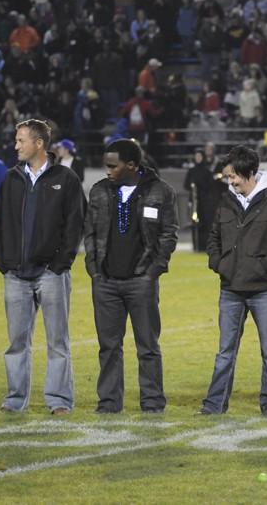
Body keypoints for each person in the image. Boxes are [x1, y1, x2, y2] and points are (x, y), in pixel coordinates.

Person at [199, 145, 267, 417]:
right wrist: (219, 264)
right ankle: (214, 406)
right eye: (228, 177)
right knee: (225, 353)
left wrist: (264, 266)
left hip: (264, 289)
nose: (230, 182)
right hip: (230, 288)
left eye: (234, 177)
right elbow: (213, 238)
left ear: (250, 172)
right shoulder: (227, 200)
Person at [0, 119, 85, 414]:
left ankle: (59, 401)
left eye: (21, 140)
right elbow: (1, 223)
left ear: (39, 144)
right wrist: (5, 262)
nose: (16, 146)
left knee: (57, 341)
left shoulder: (66, 179)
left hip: (51, 272)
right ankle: (14, 399)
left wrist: (60, 263)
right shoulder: (11, 179)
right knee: (16, 342)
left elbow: (75, 225)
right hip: (16, 274)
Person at [83, 138, 178, 414]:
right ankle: (110, 403)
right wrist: (94, 270)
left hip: (141, 280)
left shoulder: (161, 191)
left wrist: (153, 271)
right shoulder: (100, 191)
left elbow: (168, 233)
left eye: (113, 166)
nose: (108, 171)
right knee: (108, 347)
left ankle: (151, 402)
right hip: (106, 281)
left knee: (147, 346)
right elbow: (89, 233)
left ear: (132, 165)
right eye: (106, 165)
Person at [183, 150, 215, 252]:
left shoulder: (207, 171)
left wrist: (200, 185)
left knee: (205, 223)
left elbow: (210, 185)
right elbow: (186, 185)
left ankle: (204, 246)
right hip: (194, 201)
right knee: (195, 224)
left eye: (199, 156)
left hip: (205, 202)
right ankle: (196, 246)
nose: (198, 158)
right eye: (196, 156)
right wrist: (192, 186)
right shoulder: (191, 171)